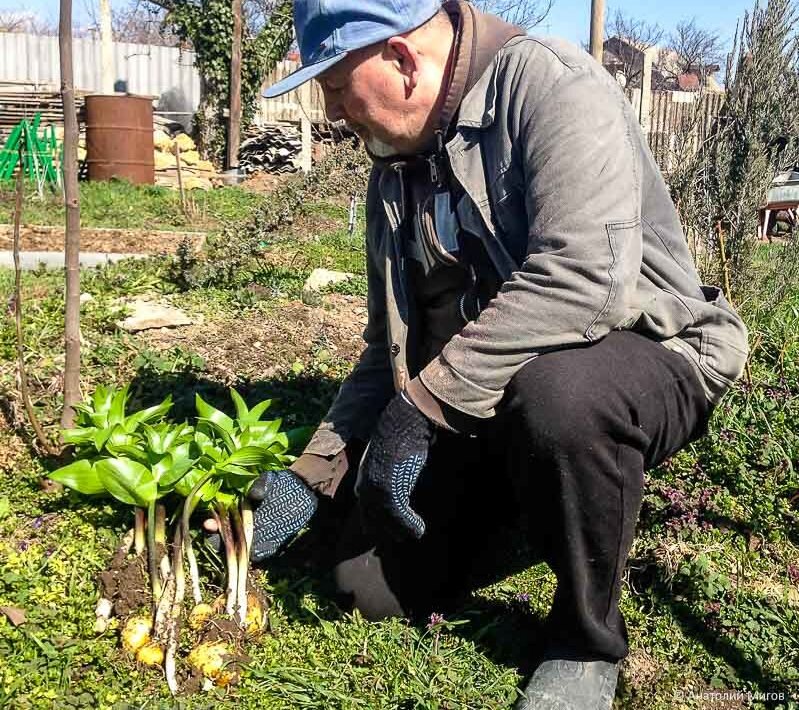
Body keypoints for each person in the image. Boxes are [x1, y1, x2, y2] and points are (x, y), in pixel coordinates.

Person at [234, 1, 750, 707]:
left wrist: (422, 408)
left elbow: (584, 283)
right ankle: (543, 506)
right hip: (491, 391)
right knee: (367, 588)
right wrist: (316, 471)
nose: (333, 115)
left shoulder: (553, 86)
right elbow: (385, 345)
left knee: (561, 399)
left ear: (401, 59)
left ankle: (583, 639)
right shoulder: (396, 168)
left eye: (334, 88)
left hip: (647, 350)